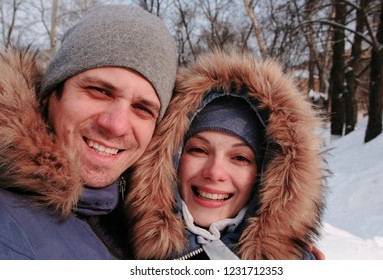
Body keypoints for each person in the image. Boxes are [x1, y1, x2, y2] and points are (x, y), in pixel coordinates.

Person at [0, 4, 177, 259]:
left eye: (142, 108)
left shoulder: (141, 228)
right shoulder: (1, 230)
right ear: (51, 94)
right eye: (99, 91)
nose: (116, 125)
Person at [125, 49, 328, 259]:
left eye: (240, 158)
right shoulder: (114, 244)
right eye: (199, 150)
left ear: (269, 176)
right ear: (170, 157)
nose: (214, 172)